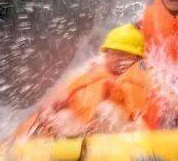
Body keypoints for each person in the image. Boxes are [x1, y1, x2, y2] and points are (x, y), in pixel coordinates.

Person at [19, 24, 148, 138]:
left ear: (136, 57)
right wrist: (50, 110)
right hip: (84, 130)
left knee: (106, 110)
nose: (115, 58)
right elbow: (60, 98)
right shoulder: (92, 73)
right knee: (64, 117)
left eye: (122, 53)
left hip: (118, 134)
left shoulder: (140, 76)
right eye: (112, 52)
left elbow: (139, 118)